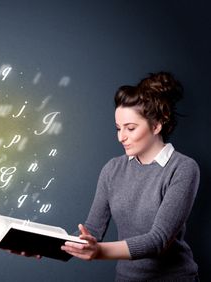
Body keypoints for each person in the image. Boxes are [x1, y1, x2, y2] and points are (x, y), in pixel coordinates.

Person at [60, 72, 201, 281]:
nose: (121, 137)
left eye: (130, 128)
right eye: (118, 128)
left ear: (156, 125)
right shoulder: (112, 169)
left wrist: (99, 252)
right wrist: (47, 247)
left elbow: (158, 240)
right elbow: (92, 230)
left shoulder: (183, 168)